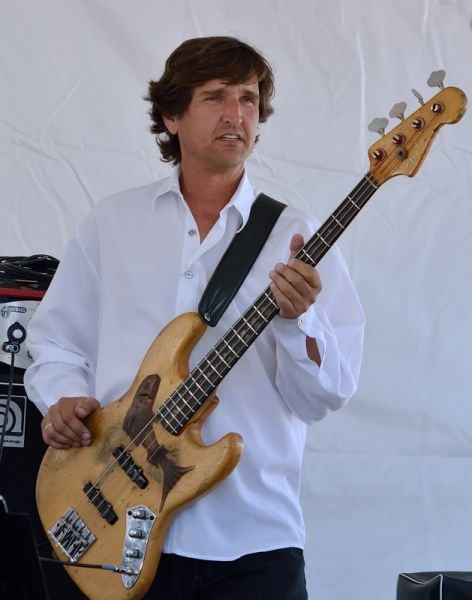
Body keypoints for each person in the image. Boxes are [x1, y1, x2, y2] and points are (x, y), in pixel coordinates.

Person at [24, 36, 365, 600]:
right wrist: (63, 400)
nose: (236, 114)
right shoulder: (113, 223)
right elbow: (57, 342)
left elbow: (322, 399)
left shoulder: (297, 238)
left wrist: (295, 321)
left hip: (253, 537)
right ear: (171, 116)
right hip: (110, 521)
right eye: (215, 96)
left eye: (248, 98)